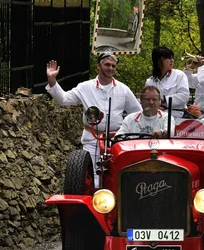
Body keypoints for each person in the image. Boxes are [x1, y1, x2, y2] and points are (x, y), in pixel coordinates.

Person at [46, 52, 141, 185]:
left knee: (116, 175)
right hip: (91, 139)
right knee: (92, 176)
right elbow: (63, 100)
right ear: (98, 67)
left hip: (116, 141)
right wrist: (52, 79)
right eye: (107, 65)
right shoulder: (85, 87)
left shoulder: (123, 89)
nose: (110, 68)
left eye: (113, 66)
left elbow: (137, 114)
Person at [145, 46, 190, 118]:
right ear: (160, 60)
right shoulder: (150, 81)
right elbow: (147, 101)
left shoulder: (179, 75)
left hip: (176, 116)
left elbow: (183, 97)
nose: (172, 60)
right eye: (169, 58)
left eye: (172, 58)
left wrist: (163, 101)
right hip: (155, 117)